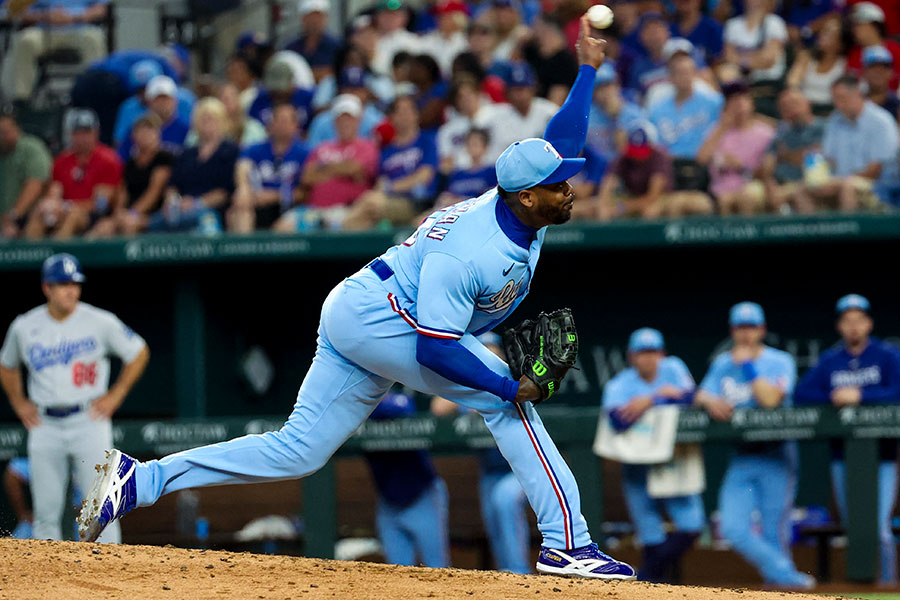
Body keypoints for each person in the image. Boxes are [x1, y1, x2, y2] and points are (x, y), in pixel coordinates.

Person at [78, 18, 637, 581]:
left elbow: (562, 140)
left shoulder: (523, 200)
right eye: (558, 185)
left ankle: (140, 480)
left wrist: (587, 69)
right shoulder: (470, 251)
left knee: (300, 450)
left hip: (364, 308)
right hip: (384, 314)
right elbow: (435, 351)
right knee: (507, 403)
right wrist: (504, 383)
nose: (570, 189)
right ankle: (569, 544)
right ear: (525, 196)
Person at [0, 253, 149, 543]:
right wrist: (18, 401)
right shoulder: (25, 326)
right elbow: (7, 364)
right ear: (47, 288)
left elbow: (138, 351)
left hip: (88, 420)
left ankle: (108, 575)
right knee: (46, 513)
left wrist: (116, 394)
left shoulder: (99, 321)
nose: (72, 289)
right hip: (44, 423)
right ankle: (50, 583)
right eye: (63, 283)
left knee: (101, 507)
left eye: (75, 283)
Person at [694, 302, 813, 590]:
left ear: (762, 330)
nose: (746, 334)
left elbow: (771, 400)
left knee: (775, 530)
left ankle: (780, 587)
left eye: (751, 327)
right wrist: (710, 400)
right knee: (733, 528)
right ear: (733, 331)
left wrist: (747, 365)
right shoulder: (723, 363)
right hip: (742, 456)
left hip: (777, 454)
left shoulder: (779, 360)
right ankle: (787, 576)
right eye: (740, 327)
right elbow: (700, 394)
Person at [794, 294, 900, 585]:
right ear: (840, 326)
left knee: (877, 529)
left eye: (859, 320)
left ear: (869, 323)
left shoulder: (886, 355)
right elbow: (802, 395)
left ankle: (889, 587)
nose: (854, 327)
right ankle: (863, 588)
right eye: (847, 321)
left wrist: (862, 395)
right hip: (844, 457)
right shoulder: (831, 360)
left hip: (883, 456)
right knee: (855, 528)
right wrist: (832, 397)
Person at [601, 328, 702, 583]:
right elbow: (617, 420)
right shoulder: (620, 384)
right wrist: (662, 398)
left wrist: (649, 401)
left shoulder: (673, 368)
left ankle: (645, 580)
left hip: (672, 459)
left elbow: (693, 398)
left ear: (662, 354)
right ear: (631, 356)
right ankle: (652, 587)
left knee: (691, 527)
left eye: (653, 352)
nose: (648, 358)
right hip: (637, 464)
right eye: (642, 353)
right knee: (650, 536)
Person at [430, 332, 530, 574]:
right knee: (492, 519)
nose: (486, 354)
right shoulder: (468, 386)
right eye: (480, 350)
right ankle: (508, 574)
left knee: (504, 502)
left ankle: (520, 572)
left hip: (519, 468)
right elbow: (438, 408)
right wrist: (470, 386)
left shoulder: (509, 376)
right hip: (490, 469)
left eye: (490, 349)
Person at [365, 391, 450, 567]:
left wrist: (367, 407)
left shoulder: (395, 398)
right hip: (389, 503)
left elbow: (403, 407)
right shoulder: (353, 409)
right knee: (397, 576)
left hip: (423, 496)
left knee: (438, 570)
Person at [276, 95, 379, 233]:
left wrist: (324, 169)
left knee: (342, 225)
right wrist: (341, 169)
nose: (345, 123)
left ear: (358, 121)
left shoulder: (367, 146)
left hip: (347, 210)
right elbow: (307, 177)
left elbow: (355, 168)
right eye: (341, 119)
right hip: (314, 211)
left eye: (350, 118)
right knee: (282, 227)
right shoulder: (322, 148)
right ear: (335, 122)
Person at [795, 75, 899, 211]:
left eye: (842, 98)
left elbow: (876, 170)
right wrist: (817, 174)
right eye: (835, 99)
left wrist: (840, 182)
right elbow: (828, 159)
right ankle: (813, 231)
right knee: (802, 190)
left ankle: (848, 231)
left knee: (847, 187)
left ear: (858, 94)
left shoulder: (881, 121)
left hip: (877, 185)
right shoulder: (834, 121)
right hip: (840, 181)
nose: (838, 104)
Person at [23, 109, 122, 240]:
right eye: (77, 132)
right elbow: (55, 191)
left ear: (96, 132)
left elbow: (100, 205)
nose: (82, 137)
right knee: (41, 212)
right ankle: (32, 255)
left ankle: (60, 253)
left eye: (87, 132)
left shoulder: (108, 159)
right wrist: (52, 205)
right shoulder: (62, 161)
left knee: (73, 215)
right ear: (71, 134)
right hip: (64, 210)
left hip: (92, 216)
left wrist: (68, 206)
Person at [343, 95, 438, 230]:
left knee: (371, 203)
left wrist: (391, 187)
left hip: (417, 201)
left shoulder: (426, 141)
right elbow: (380, 182)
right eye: (399, 112)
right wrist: (384, 188)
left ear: (416, 114)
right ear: (392, 118)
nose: (404, 116)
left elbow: (424, 176)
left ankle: (336, 235)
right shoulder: (386, 151)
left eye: (408, 111)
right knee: (365, 215)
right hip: (389, 202)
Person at [146, 98, 239, 234]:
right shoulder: (187, 153)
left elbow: (225, 192)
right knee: (155, 223)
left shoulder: (230, 151)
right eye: (203, 119)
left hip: (212, 209)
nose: (207, 123)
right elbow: (173, 185)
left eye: (211, 119)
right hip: (181, 208)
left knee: (205, 222)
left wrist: (197, 203)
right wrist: (172, 201)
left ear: (222, 122)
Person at [592, 121, 712, 220]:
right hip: (631, 197)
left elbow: (653, 196)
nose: (636, 157)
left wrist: (622, 208)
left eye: (641, 151)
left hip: (661, 198)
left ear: (651, 145)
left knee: (651, 211)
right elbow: (606, 187)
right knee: (599, 209)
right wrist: (606, 204)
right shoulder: (624, 157)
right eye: (634, 151)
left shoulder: (659, 157)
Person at [0, 0, 109, 101]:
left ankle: (96, 99)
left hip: (79, 28)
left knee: (95, 38)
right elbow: (14, 10)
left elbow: (100, 10)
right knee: (26, 41)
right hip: (44, 28)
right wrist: (43, 16)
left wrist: (73, 18)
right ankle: (22, 101)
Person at [87, 113, 174, 238]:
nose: (145, 136)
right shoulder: (130, 163)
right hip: (129, 211)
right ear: (134, 136)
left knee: (129, 225)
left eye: (149, 131)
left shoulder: (164, 158)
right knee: (103, 227)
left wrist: (133, 212)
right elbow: (123, 191)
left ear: (158, 134)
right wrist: (119, 212)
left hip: (155, 213)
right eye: (141, 131)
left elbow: (154, 192)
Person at [648, 52, 722, 193]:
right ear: (670, 77)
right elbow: (655, 145)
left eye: (689, 72)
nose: (685, 77)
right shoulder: (657, 110)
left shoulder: (714, 103)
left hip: (703, 166)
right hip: (670, 168)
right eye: (679, 73)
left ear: (695, 74)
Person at [697, 81, 775, 215]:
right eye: (733, 100)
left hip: (753, 184)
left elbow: (769, 168)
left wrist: (741, 165)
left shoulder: (765, 133)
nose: (739, 104)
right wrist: (722, 127)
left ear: (751, 103)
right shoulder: (718, 131)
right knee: (725, 200)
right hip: (721, 189)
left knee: (746, 197)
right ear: (726, 106)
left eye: (743, 99)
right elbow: (701, 159)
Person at [229, 104, 308, 233]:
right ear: (271, 124)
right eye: (278, 120)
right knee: (237, 211)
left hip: (287, 206)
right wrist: (243, 188)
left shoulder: (304, 153)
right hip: (255, 203)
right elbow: (242, 167)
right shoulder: (255, 149)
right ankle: (243, 250)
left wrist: (273, 196)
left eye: (286, 121)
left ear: (295, 125)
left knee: (287, 225)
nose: (282, 125)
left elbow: (303, 192)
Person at [755, 89, 825, 214]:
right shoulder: (781, 132)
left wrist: (786, 155)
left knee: (799, 192)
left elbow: (813, 158)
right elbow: (767, 164)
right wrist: (770, 184)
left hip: (810, 181)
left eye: (794, 103)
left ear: (808, 103)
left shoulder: (821, 127)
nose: (790, 108)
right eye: (784, 106)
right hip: (781, 182)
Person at [722, 0, 788, 117]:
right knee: (725, 72)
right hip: (741, 83)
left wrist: (741, 59)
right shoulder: (733, 25)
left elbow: (768, 60)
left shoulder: (775, 23)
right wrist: (756, 58)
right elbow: (728, 57)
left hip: (768, 83)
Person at [484, 63, 558, 162]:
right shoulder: (494, 116)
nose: (518, 95)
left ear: (533, 89)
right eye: (514, 90)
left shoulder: (550, 112)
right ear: (507, 92)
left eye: (522, 89)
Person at [0, 106, 52, 238]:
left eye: (5, 132)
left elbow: (35, 185)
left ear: (16, 129)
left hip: (26, 217)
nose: (2, 137)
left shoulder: (31, 148)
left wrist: (13, 216)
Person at [117, 75, 189, 161]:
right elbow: (122, 158)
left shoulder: (186, 129)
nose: (162, 103)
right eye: (158, 99)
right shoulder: (137, 128)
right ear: (149, 102)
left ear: (175, 101)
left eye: (166, 99)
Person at [784, 16, 846, 116]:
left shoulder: (844, 64)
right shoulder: (806, 57)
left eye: (829, 33)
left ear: (840, 43)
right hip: (804, 109)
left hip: (829, 111)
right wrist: (799, 101)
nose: (822, 35)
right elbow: (792, 82)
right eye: (823, 31)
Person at [587, 63, 645, 168]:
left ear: (617, 86)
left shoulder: (635, 113)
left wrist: (617, 116)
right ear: (593, 91)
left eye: (608, 85)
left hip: (625, 170)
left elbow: (627, 153)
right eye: (600, 87)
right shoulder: (586, 116)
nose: (605, 92)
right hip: (594, 169)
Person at [522, 14, 580, 106]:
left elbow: (555, 103)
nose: (532, 30)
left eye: (536, 26)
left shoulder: (564, 61)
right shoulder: (531, 51)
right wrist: (520, 43)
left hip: (545, 111)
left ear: (547, 30)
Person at [434, 128, 498, 210]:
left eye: (475, 144)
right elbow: (447, 195)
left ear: (485, 147)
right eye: (469, 144)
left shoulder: (492, 172)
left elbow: (489, 199)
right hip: (454, 212)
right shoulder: (458, 174)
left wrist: (460, 200)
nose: (472, 148)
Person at [248, 58, 314, 133]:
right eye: (274, 89)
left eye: (281, 88)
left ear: (291, 82)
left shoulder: (307, 98)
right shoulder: (260, 101)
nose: (277, 93)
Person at [846, 2, 900, 90]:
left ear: (875, 27)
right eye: (854, 26)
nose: (854, 30)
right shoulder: (854, 54)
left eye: (859, 25)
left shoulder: (895, 50)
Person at [285, 0, 341, 83]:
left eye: (319, 16)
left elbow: (337, 74)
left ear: (326, 18)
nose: (315, 21)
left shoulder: (338, 46)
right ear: (302, 18)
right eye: (310, 16)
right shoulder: (290, 48)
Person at [670, 0, 723, 65]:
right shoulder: (668, 28)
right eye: (680, 1)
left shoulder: (712, 27)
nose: (683, 3)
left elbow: (719, 58)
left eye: (687, 1)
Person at [860, 46, 900, 120]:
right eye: (873, 67)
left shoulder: (897, 106)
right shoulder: (855, 102)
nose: (878, 72)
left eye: (884, 67)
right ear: (864, 71)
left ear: (891, 72)